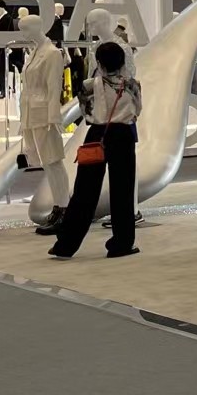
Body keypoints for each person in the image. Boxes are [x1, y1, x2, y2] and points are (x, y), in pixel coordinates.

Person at [48, 42, 141, 260]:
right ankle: (121, 244)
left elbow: (85, 112)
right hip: (124, 136)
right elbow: (138, 109)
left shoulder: (88, 86)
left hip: (97, 135)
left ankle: (66, 245)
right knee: (123, 190)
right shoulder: (132, 85)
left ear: (98, 62)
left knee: (84, 191)